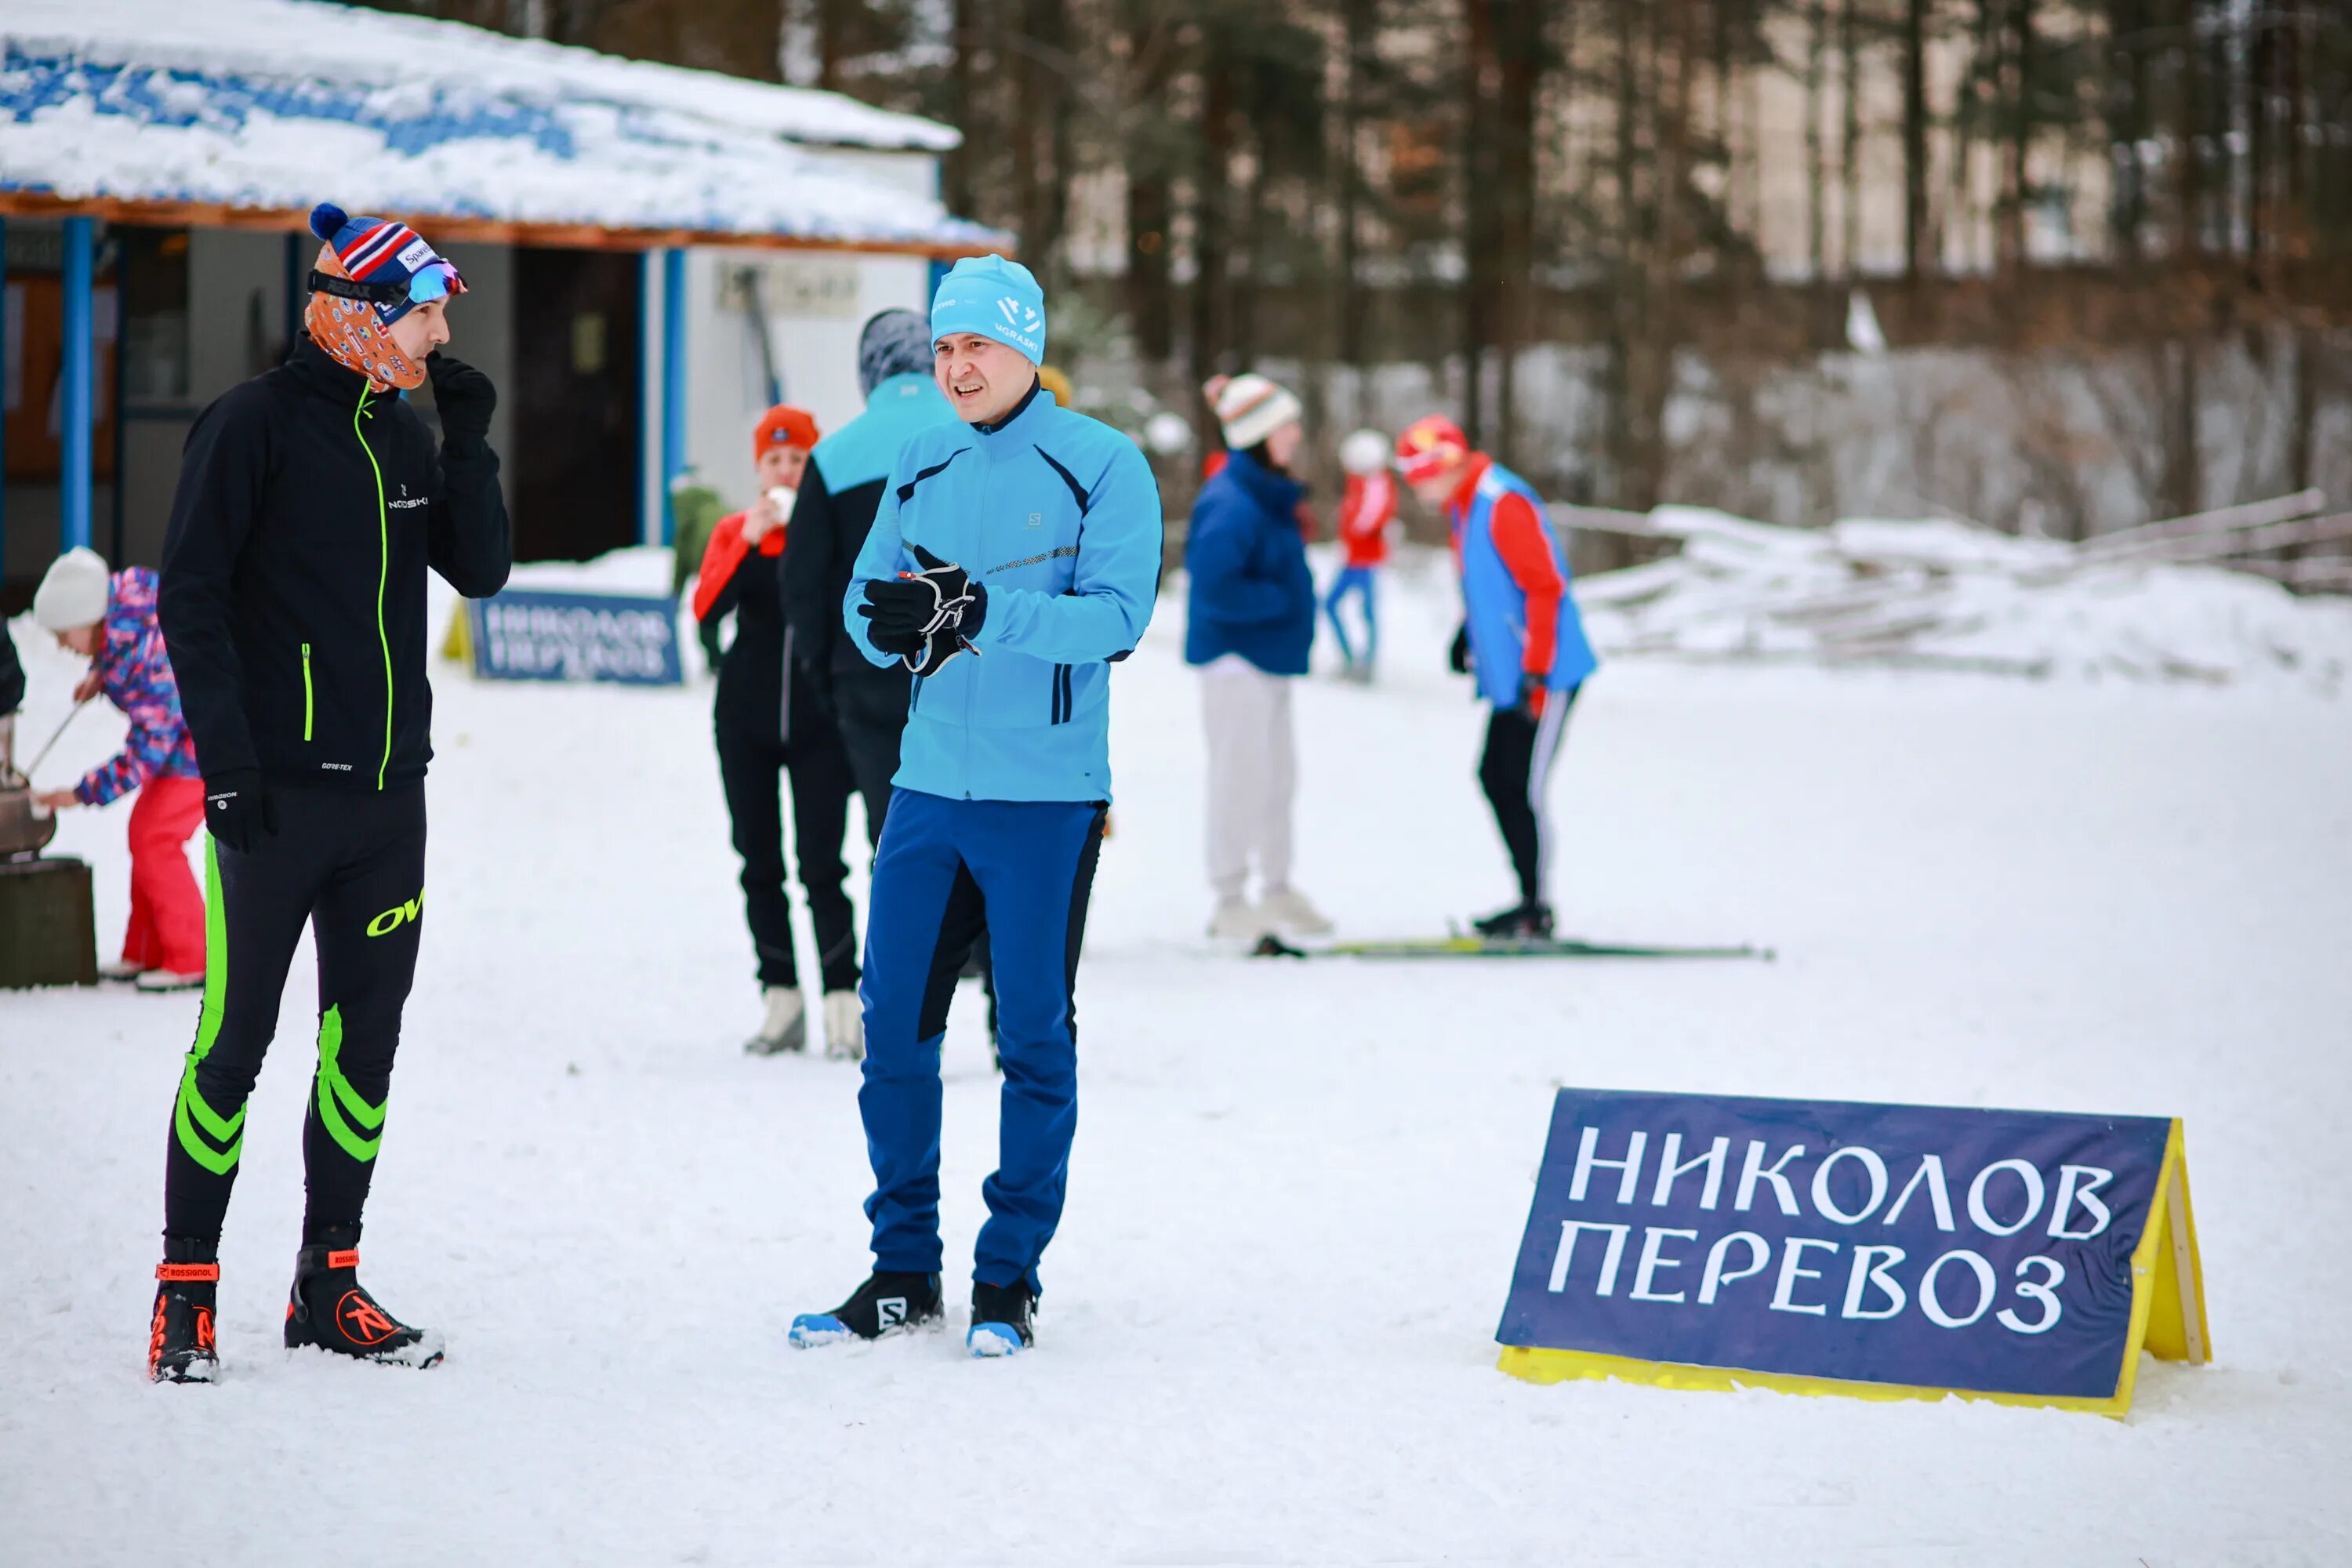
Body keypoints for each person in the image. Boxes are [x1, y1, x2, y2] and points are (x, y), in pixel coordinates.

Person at [146, 201, 510, 1383]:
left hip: (387, 807)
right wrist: (228, 764)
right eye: (424, 313)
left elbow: (485, 569)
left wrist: (470, 442)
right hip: (275, 802)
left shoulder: (405, 434)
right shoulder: (250, 426)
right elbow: (190, 600)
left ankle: (328, 1284)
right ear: (358, 317)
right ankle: (185, 1291)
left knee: (364, 1046)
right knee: (235, 1042)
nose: (442, 331)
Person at [789, 255, 1160, 1357]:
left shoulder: (1103, 463)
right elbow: (864, 602)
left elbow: (1116, 620)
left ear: (1028, 351)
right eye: (945, 348)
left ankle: (1009, 1279)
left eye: (979, 348)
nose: (957, 368)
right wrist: (896, 627)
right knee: (893, 1033)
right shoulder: (920, 459)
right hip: (925, 791)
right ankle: (903, 1269)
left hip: (1044, 799)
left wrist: (984, 610)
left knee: (1033, 1040)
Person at [692, 405, 862, 1057]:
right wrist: (745, 540)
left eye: (797, 460)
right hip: (746, 723)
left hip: (821, 725)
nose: (786, 471)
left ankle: (843, 1003)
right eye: (775, 461)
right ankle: (781, 997)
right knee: (758, 862)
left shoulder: (832, 531)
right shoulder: (738, 528)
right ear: (759, 469)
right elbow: (707, 607)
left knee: (822, 865)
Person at [1395, 415, 1597, 939]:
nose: (1417, 490)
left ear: (1450, 465)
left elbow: (1546, 588)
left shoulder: (1502, 501)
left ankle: (1535, 907)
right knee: (1494, 776)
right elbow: (1492, 583)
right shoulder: (1465, 506)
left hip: (1545, 673)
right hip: (1513, 674)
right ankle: (1528, 901)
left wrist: (1535, 674)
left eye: (1421, 477)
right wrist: (1469, 634)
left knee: (1521, 785)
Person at [1184, 374, 1330, 942]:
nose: (1296, 435)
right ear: (1260, 434)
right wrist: (1286, 601)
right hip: (1235, 663)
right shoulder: (1231, 501)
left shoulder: (1266, 493)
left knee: (1276, 781)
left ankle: (1276, 888)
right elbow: (1217, 586)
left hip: (1267, 660)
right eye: (1286, 426)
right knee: (1238, 781)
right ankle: (1229, 897)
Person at [29, 547, 206, 989]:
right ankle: (146, 950)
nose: (60, 646)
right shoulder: (125, 621)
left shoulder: (138, 656)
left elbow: (150, 746)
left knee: (156, 836)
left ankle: (191, 955)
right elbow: (137, 653)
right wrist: (102, 673)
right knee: (145, 833)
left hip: (209, 743)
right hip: (184, 736)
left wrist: (83, 792)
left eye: (63, 635)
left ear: (88, 619)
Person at [1323, 429, 1396, 682]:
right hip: (1353, 557)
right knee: (1334, 605)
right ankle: (1353, 659)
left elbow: (1371, 518)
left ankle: (1365, 664)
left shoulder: (1378, 483)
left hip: (1365, 559)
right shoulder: (1358, 482)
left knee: (1364, 611)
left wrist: (1354, 527)